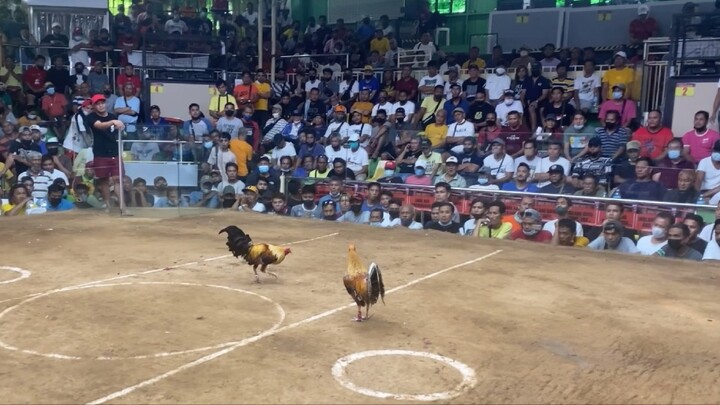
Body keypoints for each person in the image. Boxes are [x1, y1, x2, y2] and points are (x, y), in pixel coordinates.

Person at [85, 94, 125, 210]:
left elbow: (120, 129)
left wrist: (119, 125)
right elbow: (100, 126)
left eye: (102, 103)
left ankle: (122, 206)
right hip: (100, 153)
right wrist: (113, 122)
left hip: (114, 152)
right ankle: (108, 206)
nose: (101, 105)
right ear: (94, 106)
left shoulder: (112, 116)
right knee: (103, 181)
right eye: (98, 104)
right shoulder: (91, 117)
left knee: (118, 179)